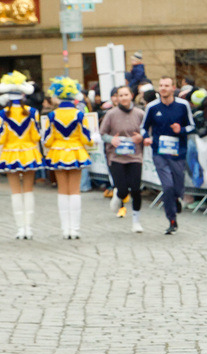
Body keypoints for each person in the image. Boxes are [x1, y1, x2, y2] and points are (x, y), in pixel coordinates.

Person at [143, 76, 194, 235]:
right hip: (159, 152)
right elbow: (143, 127)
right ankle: (172, 219)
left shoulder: (183, 105)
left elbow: (192, 126)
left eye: (166, 85)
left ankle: (177, 198)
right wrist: (145, 137)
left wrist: (182, 130)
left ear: (173, 88)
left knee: (178, 186)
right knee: (167, 186)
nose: (163, 88)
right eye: (161, 85)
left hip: (178, 152)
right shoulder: (152, 107)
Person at [42, 77, 92, 239]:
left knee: (62, 190)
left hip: (58, 153)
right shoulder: (79, 114)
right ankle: (75, 229)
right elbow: (87, 139)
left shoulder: (51, 115)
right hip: (76, 152)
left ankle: (65, 230)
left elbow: (47, 140)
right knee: (75, 190)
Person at [0, 71, 42, 239]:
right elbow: (36, 136)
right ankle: (28, 228)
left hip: (10, 154)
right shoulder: (32, 112)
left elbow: (1, 138)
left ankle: (20, 229)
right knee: (28, 190)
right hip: (29, 153)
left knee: (16, 191)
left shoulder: (2, 114)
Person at [99, 85, 145, 232]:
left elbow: (146, 131)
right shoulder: (111, 114)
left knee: (136, 189)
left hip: (135, 156)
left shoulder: (139, 113)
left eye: (126, 95)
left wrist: (141, 137)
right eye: (121, 95)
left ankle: (136, 221)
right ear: (117, 98)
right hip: (116, 156)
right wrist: (111, 139)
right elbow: (102, 134)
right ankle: (118, 195)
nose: (124, 98)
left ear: (131, 96)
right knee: (123, 188)